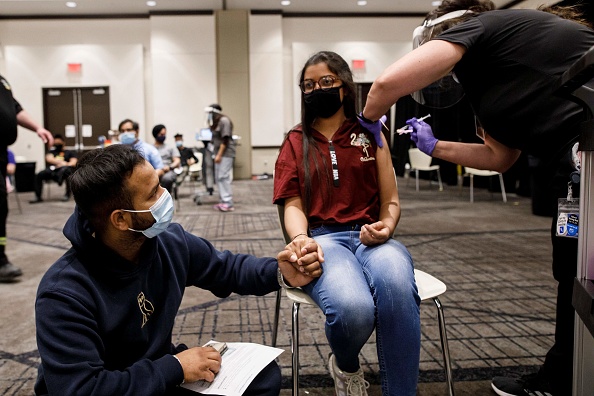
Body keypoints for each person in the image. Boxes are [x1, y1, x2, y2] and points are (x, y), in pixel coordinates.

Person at [360, 2, 594, 395]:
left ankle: (563, 380)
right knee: (575, 272)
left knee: (579, 274)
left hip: (584, 152)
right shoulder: (491, 80)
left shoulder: (483, 26)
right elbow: (501, 159)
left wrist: (367, 120)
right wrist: (434, 146)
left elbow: (385, 85)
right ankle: (566, 373)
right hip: (573, 164)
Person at [34, 143, 323, 396]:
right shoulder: (63, 293)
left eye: (160, 184)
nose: (165, 196)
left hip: (157, 374)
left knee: (262, 378)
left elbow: (227, 269)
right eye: (153, 194)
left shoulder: (169, 241)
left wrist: (281, 272)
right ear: (120, 219)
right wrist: (174, 367)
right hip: (115, 385)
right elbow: (83, 389)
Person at [273, 51, 420, 396]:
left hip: (374, 239)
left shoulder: (371, 131)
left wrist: (386, 225)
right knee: (353, 310)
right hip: (323, 240)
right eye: (308, 85)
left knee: (397, 288)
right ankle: (347, 366)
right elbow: (291, 203)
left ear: (344, 85)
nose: (317, 89)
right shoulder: (295, 141)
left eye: (326, 81)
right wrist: (300, 239)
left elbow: (391, 201)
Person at [0, 74, 53, 282]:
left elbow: (15, 109)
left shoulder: (2, 82)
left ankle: (0, 258)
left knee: (0, 207)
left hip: (1, 153)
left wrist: (38, 128)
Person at [29, 134, 78, 203]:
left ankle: (67, 195)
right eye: (56, 143)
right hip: (53, 170)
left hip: (65, 170)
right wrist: (61, 162)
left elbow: (73, 162)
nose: (57, 145)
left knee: (68, 173)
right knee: (39, 175)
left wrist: (64, 164)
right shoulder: (52, 152)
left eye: (59, 143)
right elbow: (49, 159)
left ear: (63, 142)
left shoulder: (69, 153)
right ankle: (38, 196)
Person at [206, 104, 236, 212]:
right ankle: (223, 201)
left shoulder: (224, 121)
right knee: (219, 178)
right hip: (218, 153)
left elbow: (225, 139)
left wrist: (219, 154)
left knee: (223, 177)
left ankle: (228, 203)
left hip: (226, 153)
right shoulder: (216, 122)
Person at [152, 124, 181, 194]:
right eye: (161, 134)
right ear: (156, 134)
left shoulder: (170, 147)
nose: (163, 136)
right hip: (154, 171)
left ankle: (164, 198)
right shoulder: (150, 148)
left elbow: (177, 160)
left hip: (168, 171)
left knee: (167, 179)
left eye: (164, 134)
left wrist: (170, 167)